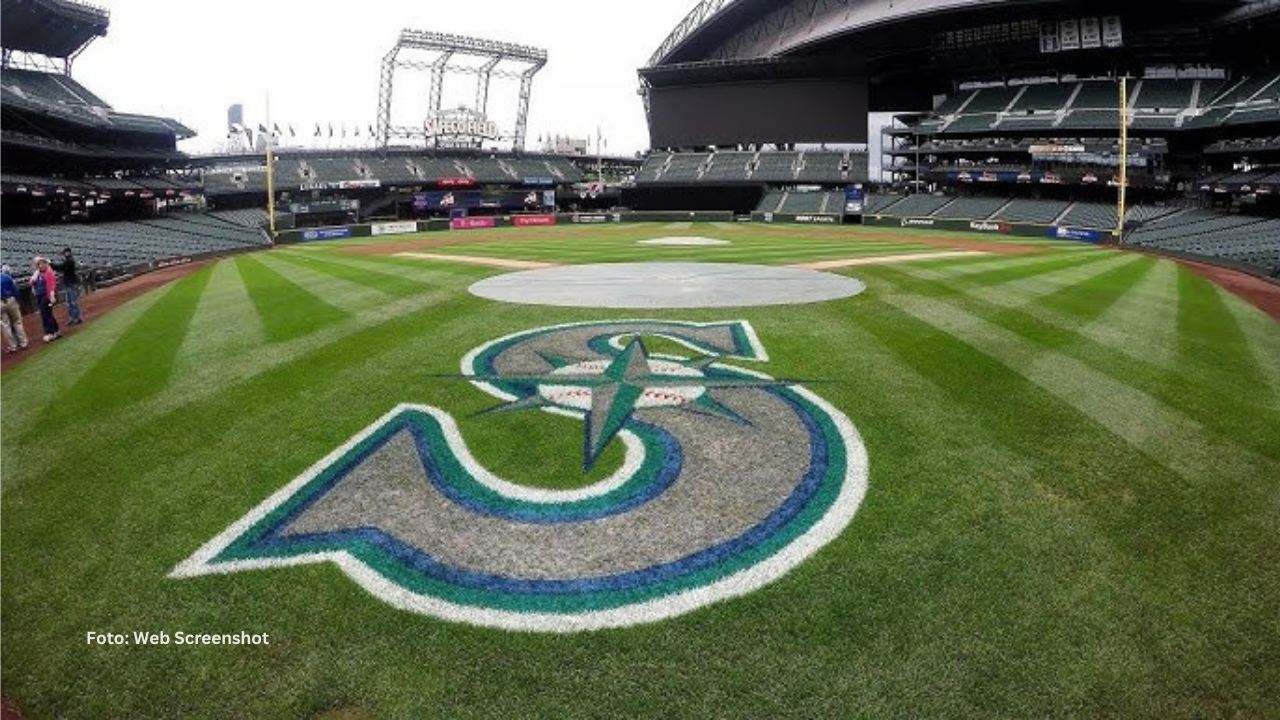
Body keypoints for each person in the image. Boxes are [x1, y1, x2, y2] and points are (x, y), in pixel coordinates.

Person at [1, 264, 29, 352]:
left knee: (6, 326)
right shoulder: (6, 277)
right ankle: (23, 343)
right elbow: (15, 290)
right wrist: (18, 300)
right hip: (11, 300)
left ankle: (13, 346)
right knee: (17, 322)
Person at [31, 257, 60, 342]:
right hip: (39, 296)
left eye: (42, 263)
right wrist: (33, 279)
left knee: (45, 314)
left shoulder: (48, 272)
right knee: (48, 314)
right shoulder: (37, 274)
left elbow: (51, 285)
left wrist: (51, 295)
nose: (40, 266)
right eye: (39, 264)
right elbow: (31, 282)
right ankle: (56, 331)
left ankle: (50, 332)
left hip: (46, 296)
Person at [53, 246, 83, 325]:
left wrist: (50, 264)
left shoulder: (70, 261)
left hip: (71, 283)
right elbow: (61, 267)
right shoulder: (68, 261)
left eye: (65, 253)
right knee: (69, 302)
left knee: (73, 302)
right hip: (68, 283)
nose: (64, 254)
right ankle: (72, 318)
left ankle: (76, 318)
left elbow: (60, 267)